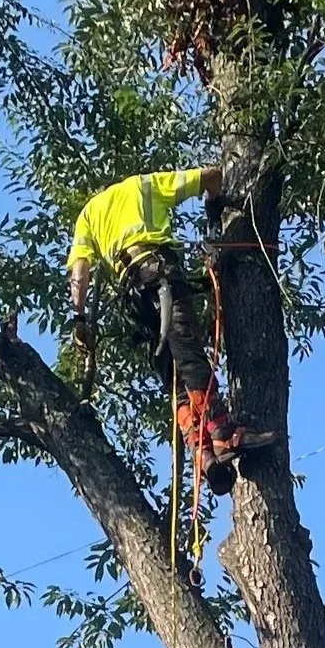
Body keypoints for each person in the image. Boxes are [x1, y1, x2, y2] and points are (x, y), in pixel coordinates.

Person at [68, 166, 262, 488]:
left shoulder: (89, 214)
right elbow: (212, 176)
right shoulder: (143, 185)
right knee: (189, 356)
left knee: (173, 378)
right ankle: (224, 435)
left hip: (135, 300)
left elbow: (80, 269)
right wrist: (214, 205)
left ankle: (204, 457)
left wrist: (79, 318)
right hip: (160, 276)